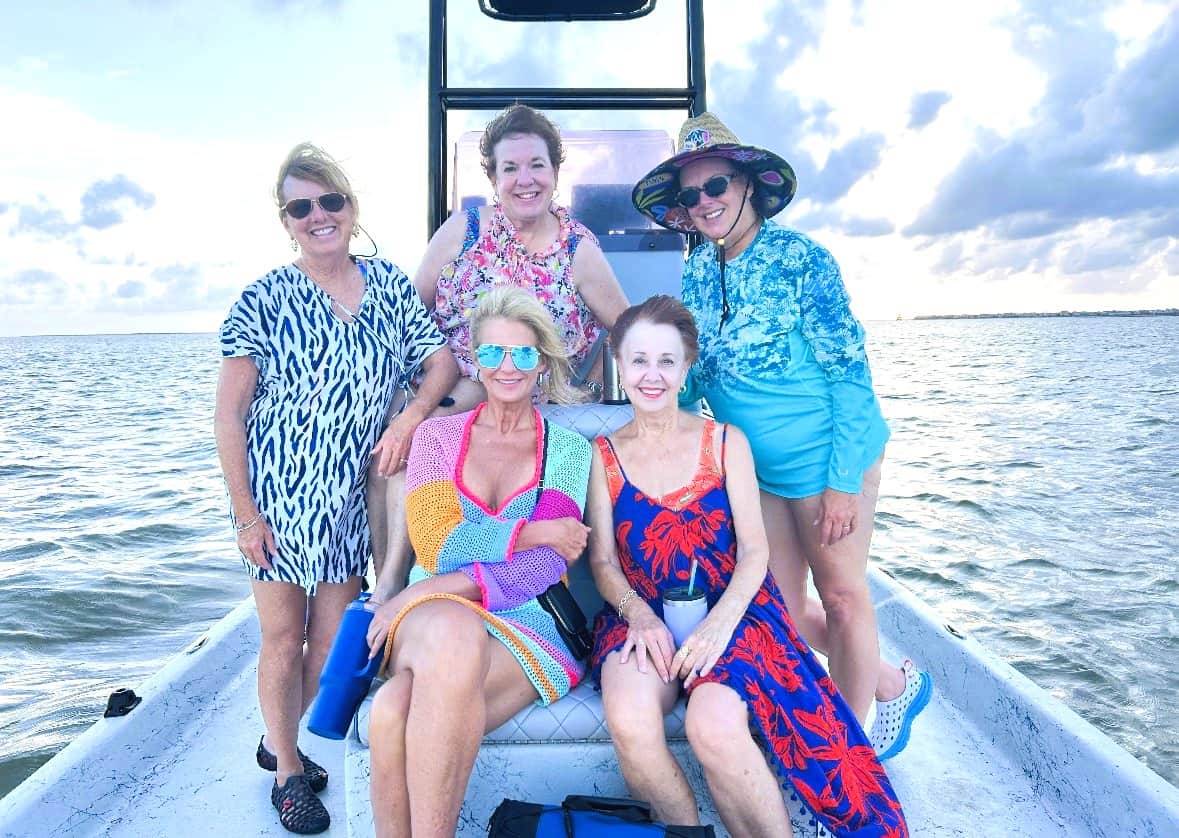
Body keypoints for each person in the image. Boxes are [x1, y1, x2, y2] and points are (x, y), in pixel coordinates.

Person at [632, 113, 931, 759]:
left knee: (846, 599)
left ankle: (847, 754)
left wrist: (841, 484)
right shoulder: (691, 275)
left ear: (745, 185)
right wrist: (650, 425)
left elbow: (849, 374)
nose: (703, 202)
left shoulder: (802, 259)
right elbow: (692, 377)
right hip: (756, 471)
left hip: (828, 457)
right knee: (784, 613)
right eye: (688, 195)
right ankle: (887, 682)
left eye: (714, 185)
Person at [587, 296, 908, 837]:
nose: (652, 375)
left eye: (667, 362)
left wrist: (720, 623)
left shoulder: (725, 442)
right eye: (639, 360)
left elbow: (756, 552)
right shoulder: (602, 455)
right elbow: (603, 560)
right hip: (639, 615)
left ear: (686, 368)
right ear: (619, 363)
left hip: (735, 611)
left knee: (711, 722)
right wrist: (638, 617)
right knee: (630, 719)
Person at [214, 142, 458, 834]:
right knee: (280, 639)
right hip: (280, 502)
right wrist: (244, 515)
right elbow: (229, 414)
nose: (318, 216)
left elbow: (437, 361)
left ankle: (277, 739)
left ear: (351, 209)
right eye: (301, 207)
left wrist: (412, 415)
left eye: (331, 201)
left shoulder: (384, 285)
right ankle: (289, 771)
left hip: (355, 501)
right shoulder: (261, 299)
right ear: (286, 220)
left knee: (328, 650)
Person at [366, 104, 628, 609]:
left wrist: (595, 381)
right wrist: (414, 403)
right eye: (510, 168)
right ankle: (388, 588)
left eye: (536, 165)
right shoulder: (463, 231)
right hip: (456, 378)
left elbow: (627, 327)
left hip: (533, 385)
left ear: (555, 173)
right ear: (492, 176)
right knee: (397, 447)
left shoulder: (579, 250)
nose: (524, 180)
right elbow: (406, 314)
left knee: (418, 432)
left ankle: (509, 594)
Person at [363, 287, 593, 837]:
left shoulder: (567, 450)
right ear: (474, 359)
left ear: (543, 360)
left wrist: (418, 591)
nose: (507, 367)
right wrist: (533, 529)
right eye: (492, 353)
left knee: (393, 710)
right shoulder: (437, 438)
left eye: (522, 353)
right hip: (433, 620)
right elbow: (438, 541)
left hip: (532, 624)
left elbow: (544, 569)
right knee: (452, 630)